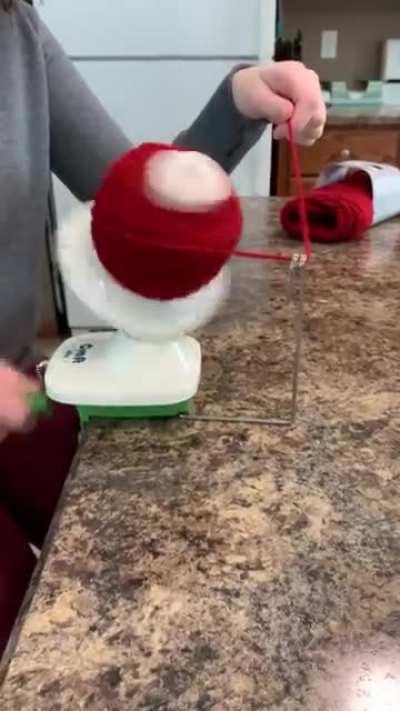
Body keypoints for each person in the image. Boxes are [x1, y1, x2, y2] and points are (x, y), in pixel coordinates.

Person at [0, 0, 326, 656]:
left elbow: (135, 204)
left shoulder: (14, 29)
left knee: (156, 547)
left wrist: (237, 103)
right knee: (31, 640)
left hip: (17, 394)